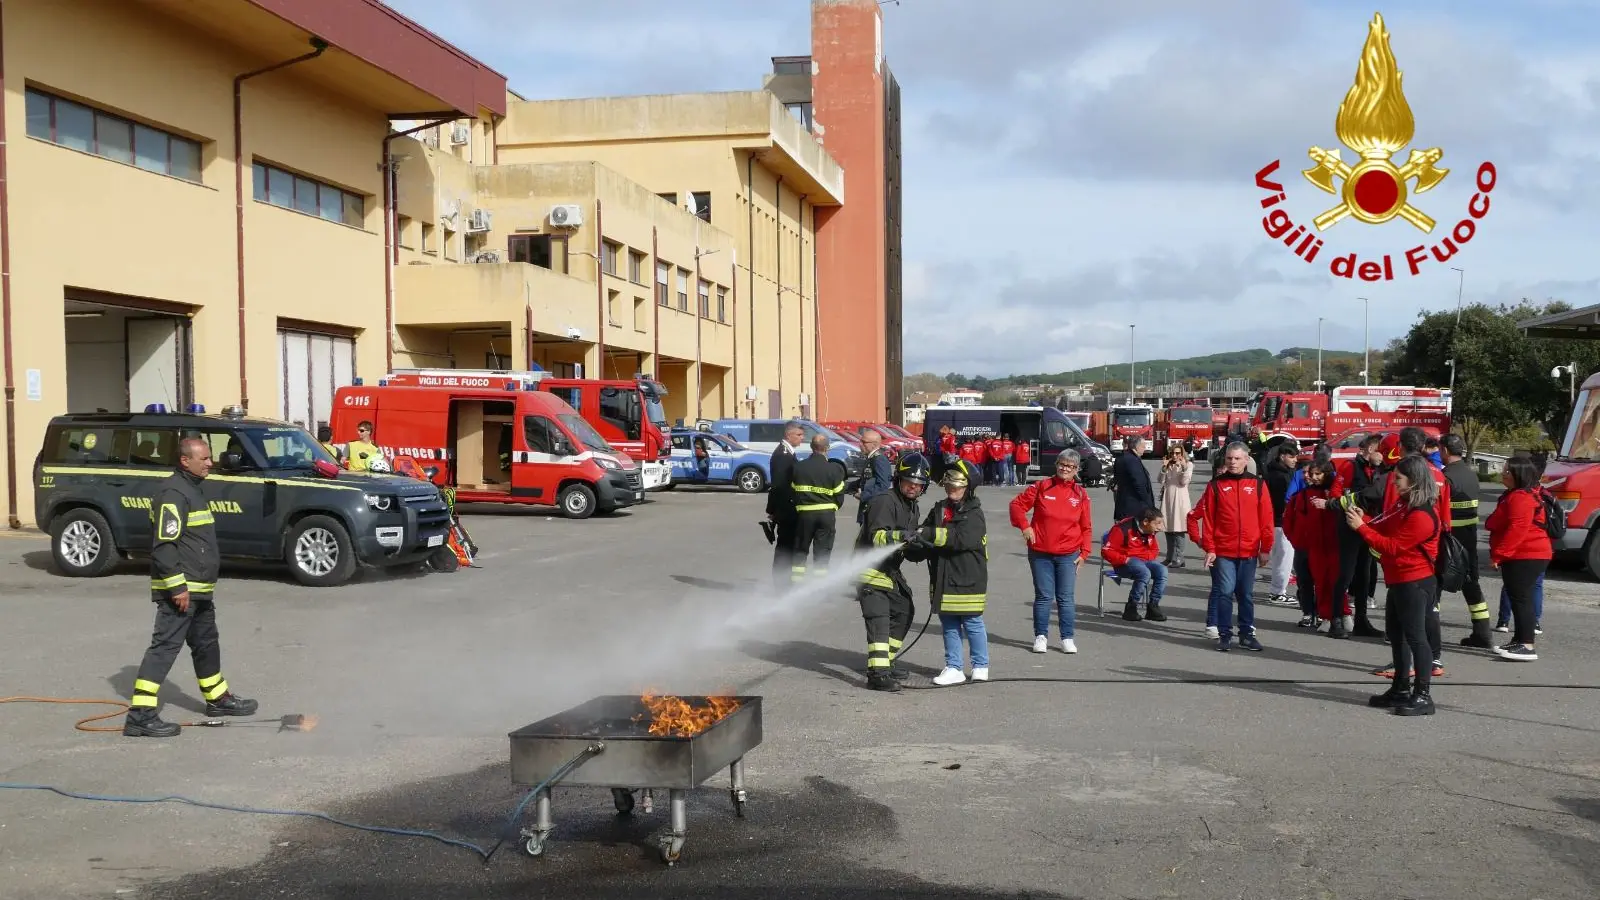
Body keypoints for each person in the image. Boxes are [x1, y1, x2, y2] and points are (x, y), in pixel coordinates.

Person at [123, 437, 258, 737]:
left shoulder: (191, 490)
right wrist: (177, 587)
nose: (210, 462)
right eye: (204, 458)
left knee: (207, 644)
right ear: (185, 461)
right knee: (164, 648)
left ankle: (217, 698)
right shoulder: (173, 494)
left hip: (199, 588)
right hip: (182, 590)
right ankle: (140, 716)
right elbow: (164, 546)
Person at [1348, 456, 1442, 716]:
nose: (1394, 483)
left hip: (1415, 581)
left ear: (1413, 481)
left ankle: (1423, 695)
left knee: (1416, 637)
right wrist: (1364, 519)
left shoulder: (1422, 514)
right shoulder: (1403, 505)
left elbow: (1393, 546)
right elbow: (1383, 525)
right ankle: (1400, 688)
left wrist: (1361, 529)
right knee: (1397, 635)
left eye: (1398, 479)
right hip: (1399, 580)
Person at [855, 451, 933, 691]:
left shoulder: (912, 508)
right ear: (898, 480)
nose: (913, 488)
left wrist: (922, 549)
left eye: (918, 485)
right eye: (909, 482)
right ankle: (877, 675)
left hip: (889, 571)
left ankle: (885, 662)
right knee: (879, 620)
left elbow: (908, 549)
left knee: (904, 610)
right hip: (869, 571)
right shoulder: (884, 501)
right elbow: (877, 537)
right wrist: (901, 536)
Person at [1190, 441, 1274, 652]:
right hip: (1223, 551)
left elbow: (1266, 519)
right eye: (1229, 458)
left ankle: (1246, 634)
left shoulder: (1258, 485)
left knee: (1245, 594)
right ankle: (1224, 634)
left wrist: (1266, 548)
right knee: (1225, 592)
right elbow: (1208, 520)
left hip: (1249, 551)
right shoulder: (1215, 486)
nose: (1233, 462)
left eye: (1237, 458)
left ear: (1246, 460)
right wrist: (1209, 547)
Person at [1011, 450, 1093, 654]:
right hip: (1041, 553)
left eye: (1070, 466)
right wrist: (1025, 527)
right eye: (1062, 464)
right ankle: (1041, 636)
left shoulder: (1080, 494)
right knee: (1044, 596)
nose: (1065, 468)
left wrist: (1084, 553)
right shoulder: (1041, 487)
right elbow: (1016, 506)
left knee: (1065, 597)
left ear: (1076, 470)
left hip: (1069, 553)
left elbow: (1086, 527)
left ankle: (1067, 637)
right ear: (1056, 464)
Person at [921, 459, 990, 685]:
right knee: (949, 623)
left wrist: (930, 535)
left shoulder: (974, 513)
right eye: (949, 486)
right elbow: (925, 531)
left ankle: (980, 665)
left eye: (957, 487)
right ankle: (954, 667)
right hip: (943, 575)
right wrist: (913, 543)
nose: (952, 491)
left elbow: (962, 540)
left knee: (972, 622)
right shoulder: (939, 508)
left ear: (967, 488)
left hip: (968, 576)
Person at [1483, 455, 1553, 662]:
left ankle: (1526, 644)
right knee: (1519, 598)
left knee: (1521, 599)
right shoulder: (1518, 494)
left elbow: (1517, 530)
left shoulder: (1520, 497)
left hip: (1526, 554)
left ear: (1517, 475)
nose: (1503, 474)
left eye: (1506, 471)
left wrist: (1499, 555)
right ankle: (1519, 639)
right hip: (1526, 554)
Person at [1439, 434, 1493, 647]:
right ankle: (1483, 632)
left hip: (1449, 540)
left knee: (1435, 586)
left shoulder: (1445, 476)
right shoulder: (1471, 475)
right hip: (1469, 539)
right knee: (1471, 584)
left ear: (1444, 450)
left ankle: (1428, 634)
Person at [1284, 458, 1348, 638]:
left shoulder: (1335, 496)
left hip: (1332, 546)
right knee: (1311, 582)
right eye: (1310, 473)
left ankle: (1337, 614)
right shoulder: (1300, 496)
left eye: (1317, 474)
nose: (1312, 477)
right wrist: (1296, 541)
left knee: (1333, 582)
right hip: (1308, 546)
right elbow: (1289, 520)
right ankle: (1316, 614)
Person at [1333, 434, 1386, 636]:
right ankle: (1336, 619)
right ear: (1370, 449)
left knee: (1365, 575)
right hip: (1350, 525)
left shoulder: (1380, 470)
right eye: (1379, 449)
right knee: (1345, 574)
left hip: (1370, 526)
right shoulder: (1349, 466)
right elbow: (1336, 493)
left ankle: (1362, 621)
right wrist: (1352, 510)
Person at [789, 433, 845, 583]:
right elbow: (839, 495)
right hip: (826, 516)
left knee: (800, 550)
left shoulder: (799, 467)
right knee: (822, 552)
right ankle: (818, 587)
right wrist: (832, 507)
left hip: (804, 516)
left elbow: (793, 491)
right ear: (827, 448)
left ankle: (796, 584)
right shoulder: (834, 469)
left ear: (811, 447)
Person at [1103, 507, 1169, 623]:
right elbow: (1106, 551)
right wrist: (1125, 559)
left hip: (1143, 561)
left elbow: (1155, 549)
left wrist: (1146, 558)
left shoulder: (1150, 530)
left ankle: (1153, 606)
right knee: (1144, 573)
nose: (1160, 527)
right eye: (1157, 523)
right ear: (1145, 522)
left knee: (1162, 570)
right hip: (1123, 564)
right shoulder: (1122, 529)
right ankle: (1131, 607)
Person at [766, 422, 806, 589]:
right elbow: (779, 485)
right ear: (788, 435)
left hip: (787, 508)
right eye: (799, 435)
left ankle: (784, 581)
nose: (802, 439)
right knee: (785, 547)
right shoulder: (783, 455)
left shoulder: (788, 452)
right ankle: (781, 584)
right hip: (786, 509)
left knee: (788, 546)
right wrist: (774, 511)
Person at [1263, 442, 1299, 606]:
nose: (1295, 460)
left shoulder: (1280, 472)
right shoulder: (1280, 476)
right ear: (1282, 456)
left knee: (1281, 557)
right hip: (1281, 521)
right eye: (1292, 456)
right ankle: (1278, 592)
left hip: (1278, 521)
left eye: (1296, 456)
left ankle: (1277, 591)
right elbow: (1282, 502)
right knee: (1284, 557)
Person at [1157, 443, 1193, 568]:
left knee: (1178, 530)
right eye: (1172, 453)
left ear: (1182, 454)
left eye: (1177, 453)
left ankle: (1179, 558)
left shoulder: (1188, 465)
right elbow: (1160, 480)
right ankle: (1169, 557)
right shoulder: (1168, 465)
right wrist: (1163, 467)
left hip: (1180, 500)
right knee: (1168, 529)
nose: (1175, 455)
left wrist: (1183, 468)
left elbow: (1184, 482)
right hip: (1168, 499)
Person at [855, 428, 896, 527]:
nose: (860, 444)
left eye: (864, 442)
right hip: (869, 508)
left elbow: (883, 486)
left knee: (868, 541)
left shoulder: (879, 460)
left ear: (874, 444)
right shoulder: (871, 458)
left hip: (875, 510)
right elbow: (865, 481)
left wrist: (864, 495)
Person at [1112, 436, 1155, 522]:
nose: (1145, 448)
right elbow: (1139, 484)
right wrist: (1149, 504)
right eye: (1143, 446)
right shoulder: (1132, 460)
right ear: (1136, 446)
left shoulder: (1120, 458)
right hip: (1134, 508)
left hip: (1122, 505)